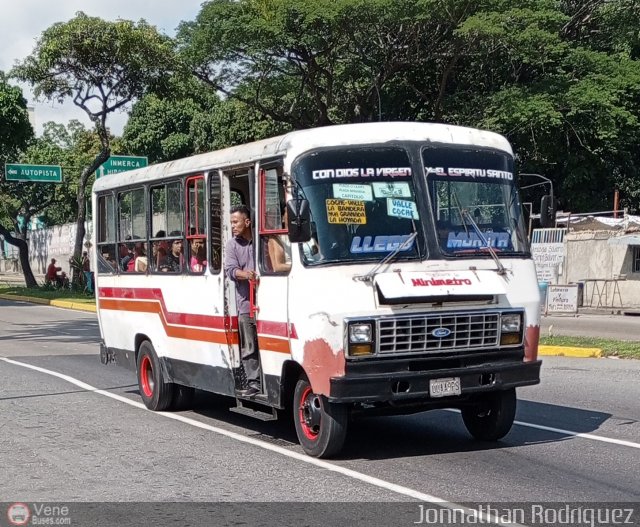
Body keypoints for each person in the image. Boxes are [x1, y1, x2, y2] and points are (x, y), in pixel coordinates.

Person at [224, 204, 261, 397]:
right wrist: (245, 274)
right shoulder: (232, 245)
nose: (233, 226)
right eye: (231, 222)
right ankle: (253, 383)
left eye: (236, 222)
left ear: (247, 222)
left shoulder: (260, 240)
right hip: (246, 303)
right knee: (249, 345)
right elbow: (230, 270)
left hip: (266, 302)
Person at [266, 205, 291, 272]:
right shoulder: (276, 238)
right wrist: (298, 267)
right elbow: (277, 267)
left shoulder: (309, 237)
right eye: (288, 211)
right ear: (282, 218)